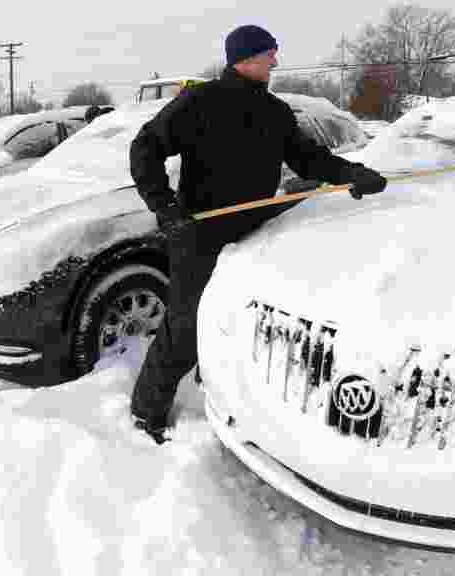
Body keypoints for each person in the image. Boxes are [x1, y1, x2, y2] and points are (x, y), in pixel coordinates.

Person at [128, 24, 387, 444]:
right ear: (246, 58)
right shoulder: (200, 102)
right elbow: (145, 148)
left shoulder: (274, 112)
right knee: (186, 328)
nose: (276, 62)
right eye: (270, 54)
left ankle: (231, 397)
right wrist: (166, 208)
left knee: (239, 323)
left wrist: (351, 174)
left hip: (254, 230)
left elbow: (308, 159)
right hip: (199, 232)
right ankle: (146, 413)